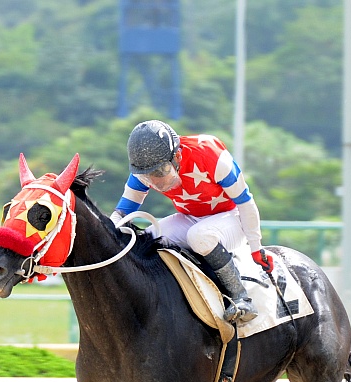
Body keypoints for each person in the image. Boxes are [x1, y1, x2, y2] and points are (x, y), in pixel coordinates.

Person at [110, 119, 273, 323]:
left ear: (177, 156)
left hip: (232, 217)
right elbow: (122, 213)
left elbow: (246, 203)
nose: (156, 181)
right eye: (147, 176)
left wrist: (256, 247)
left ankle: (241, 298)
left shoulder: (210, 154)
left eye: (160, 172)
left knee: (199, 236)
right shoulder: (144, 168)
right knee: (146, 239)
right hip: (191, 218)